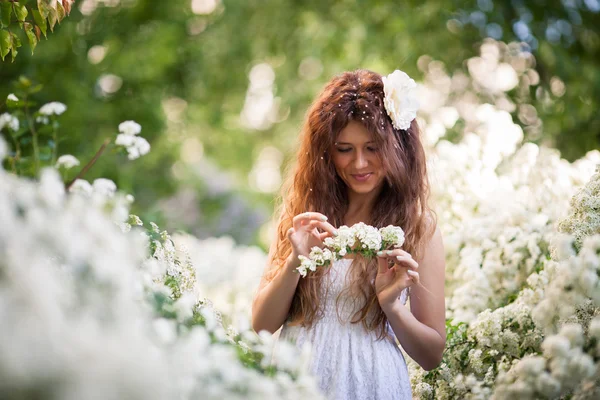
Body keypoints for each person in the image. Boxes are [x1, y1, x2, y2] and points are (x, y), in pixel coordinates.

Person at [251, 68, 446, 399]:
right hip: (298, 379)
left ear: (398, 147)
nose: (358, 163)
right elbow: (262, 325)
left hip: (371, 380)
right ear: (326, 149)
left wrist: (392, 307)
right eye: (344, 149)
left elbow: (431, 355)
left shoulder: (418, 227)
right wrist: (296, 261)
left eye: (372, 148)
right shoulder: (302, 215)